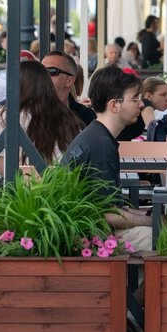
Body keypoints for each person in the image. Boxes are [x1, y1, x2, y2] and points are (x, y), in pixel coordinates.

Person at [64, 65, 153, 252]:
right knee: (156, 238)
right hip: (88, 236)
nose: (142, 104)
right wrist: (153, 221)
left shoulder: (96, 135)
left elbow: (109, 206)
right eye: (135, 98)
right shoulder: (101, 144)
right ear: (114, 105)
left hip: (85, 228)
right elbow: (109, 214)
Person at [0, 60, 84, 167]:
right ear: (47, 83)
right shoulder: (66, 114)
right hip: (62, 181)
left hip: (21, 181)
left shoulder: (6, 113)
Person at [42, 51, 96, 127]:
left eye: (51, 71)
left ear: (69, 81)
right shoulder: (29, 112)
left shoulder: (86, 116)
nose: (43, 76)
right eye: (41, 71)